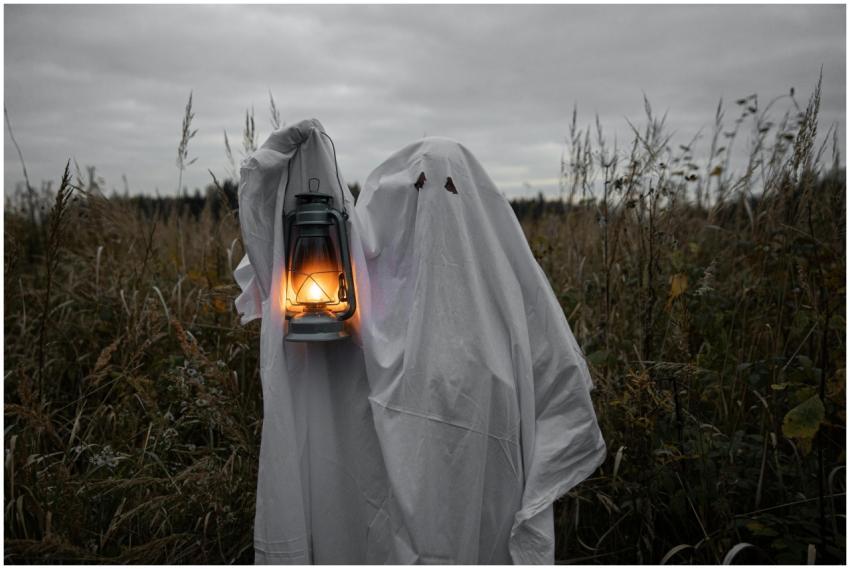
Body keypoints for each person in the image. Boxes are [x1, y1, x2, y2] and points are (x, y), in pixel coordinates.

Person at [235, 123, 606, 564]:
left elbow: (561, 393)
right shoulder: (360, 308)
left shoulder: (509, 306)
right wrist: (285, 159)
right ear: (395, 202)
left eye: (450, 188)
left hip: (481, 518)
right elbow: (276, 254)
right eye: (418, 188)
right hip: (374, 528)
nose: (434, 202)